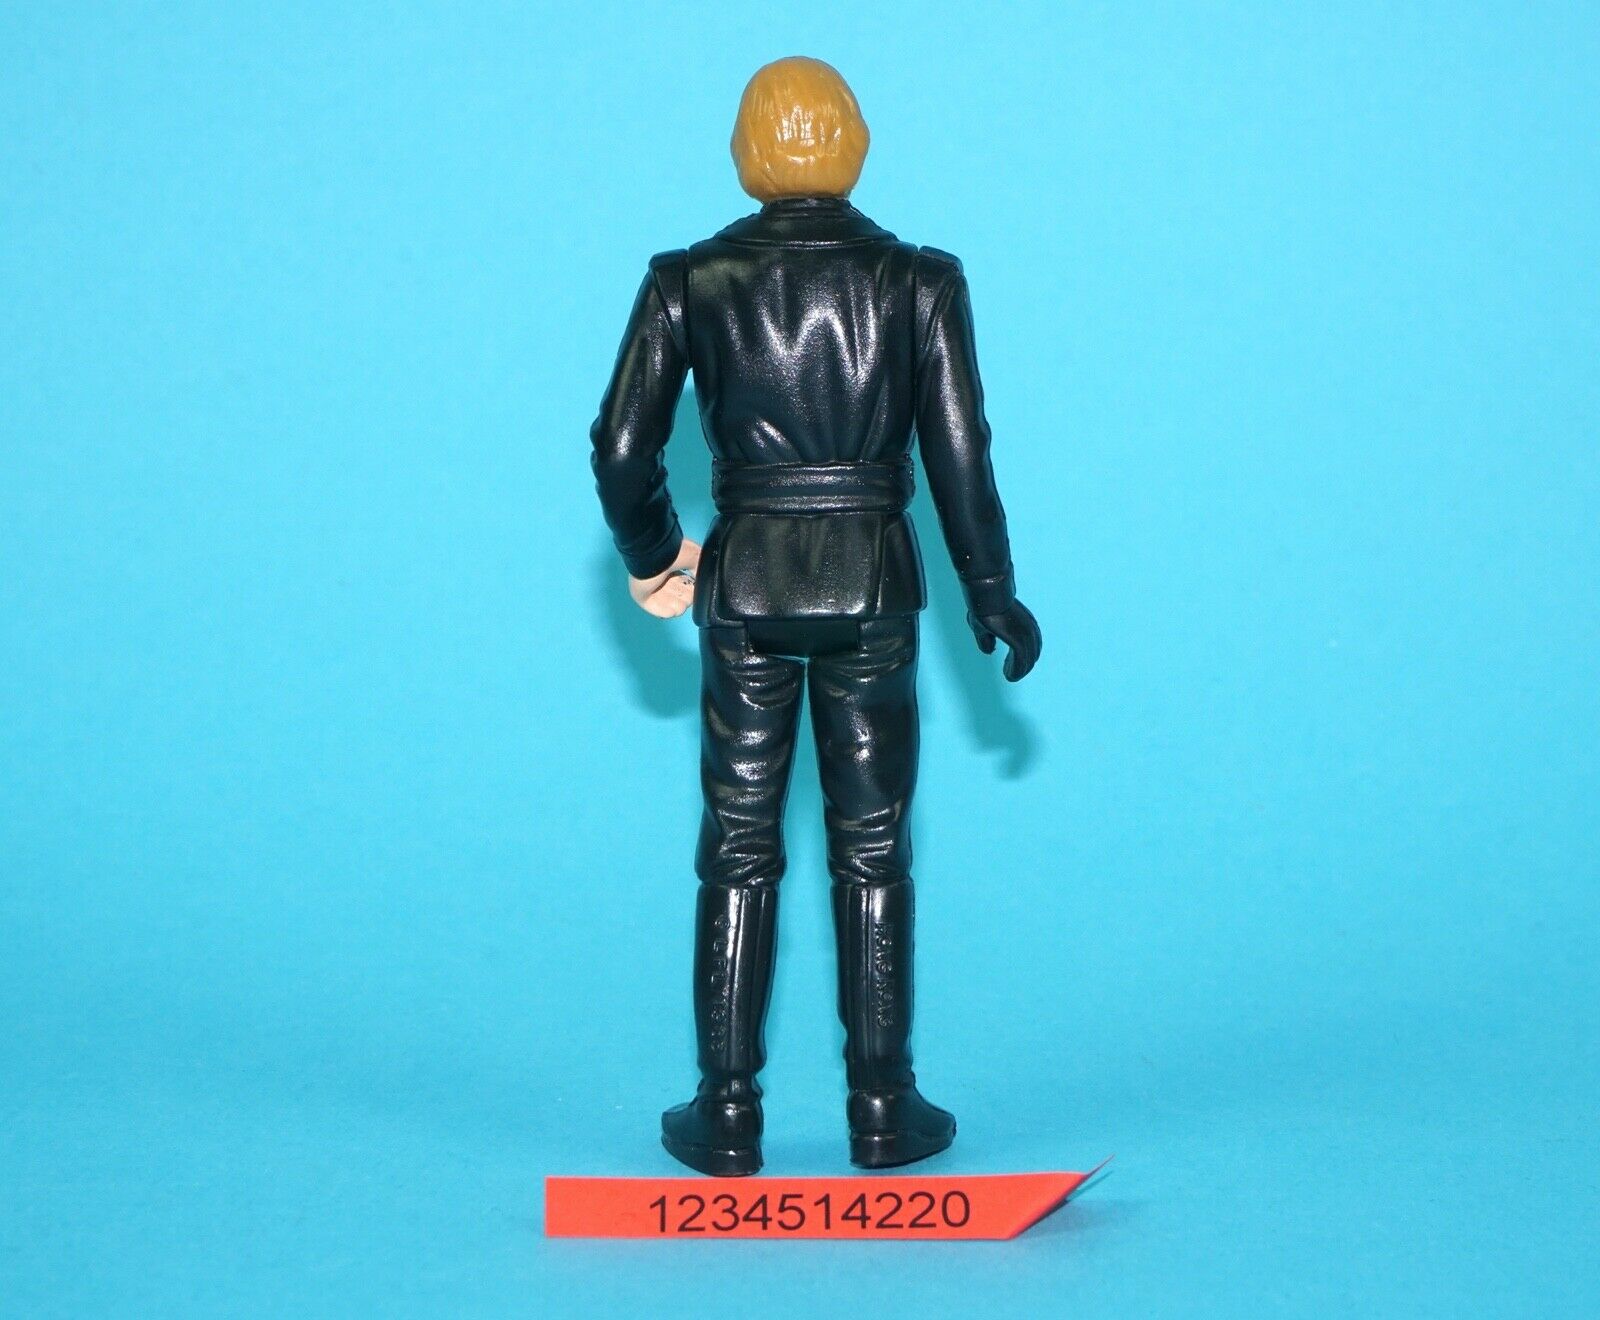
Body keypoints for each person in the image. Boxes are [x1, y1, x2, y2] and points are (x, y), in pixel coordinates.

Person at [590, 56, 1041, 1176]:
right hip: (873, 585)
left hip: (744, 587)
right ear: (857, 143)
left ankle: (725, 1112)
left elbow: (620, 448)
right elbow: (961, 453)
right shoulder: (920, 282)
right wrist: (989, 586)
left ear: (747, 152)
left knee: (738, 847)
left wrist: (655, 554)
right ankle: (883, 1106)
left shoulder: (689, 281)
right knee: (874, 847)